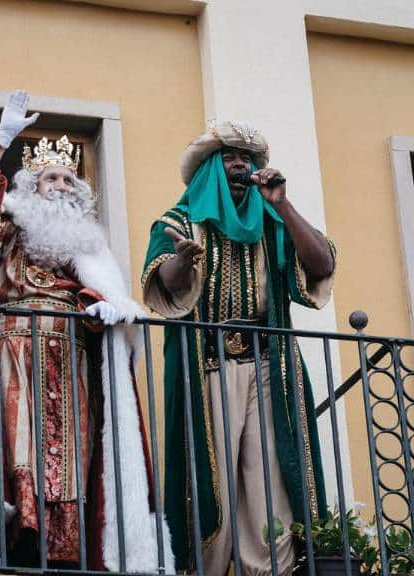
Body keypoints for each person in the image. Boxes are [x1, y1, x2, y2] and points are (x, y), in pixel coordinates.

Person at [0, 90, 173, 572]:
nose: (61, 185)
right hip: (15, 349)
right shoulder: (13, 224)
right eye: (50, 178)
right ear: (32, 188)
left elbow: (112, 299)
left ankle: (66, 552)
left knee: (74, 457)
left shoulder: (89, 246)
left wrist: (110, 311)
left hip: (73, 356)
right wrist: (3, 138)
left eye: (68, 179)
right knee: (21, 448)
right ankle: (21, 542)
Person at [142, 120, 335, 575]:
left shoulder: (273, 224)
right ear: (210, 168)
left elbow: (322, 263)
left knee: (270, 479)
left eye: (246, 159)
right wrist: (182, 262)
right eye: (229, 157)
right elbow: (163, 286)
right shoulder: (178, 222)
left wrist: (283, 205)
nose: (240, 165)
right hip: (208, 364)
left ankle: (273, 569)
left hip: (270, 364)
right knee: (214, 486)